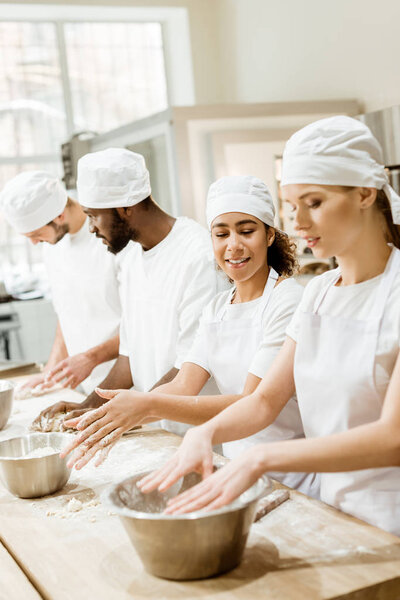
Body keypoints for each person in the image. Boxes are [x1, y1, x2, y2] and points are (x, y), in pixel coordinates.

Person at [136, 116, 400, 536]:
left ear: (366, 193)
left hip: (390, 520)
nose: (299, 222)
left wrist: (259, 459)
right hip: (329, 511)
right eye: (291, 206)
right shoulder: (319, 293)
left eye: (313, 203)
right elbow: (263, 402)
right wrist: (204, 434)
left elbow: (392, 438)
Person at [60, 175, 318, 497]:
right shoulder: (216, 308)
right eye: (221, 233)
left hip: (293, 477)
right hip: (237, 471)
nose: (233, 245)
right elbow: (184, 384)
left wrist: (147, 404)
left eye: (246, 231)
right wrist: (115, 415)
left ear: (269, 235)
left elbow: (252, 401)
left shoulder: (288, 300)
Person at [35, 148, 225, 433]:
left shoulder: (197, 256)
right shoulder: (133, 257)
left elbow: (190, 365)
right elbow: (129, 357)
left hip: (199, 435)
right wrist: (89, 406)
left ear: (125, 208)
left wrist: (123, 413)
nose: (90, 229)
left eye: (94, 216)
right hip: (157, 426)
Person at [0, 171, 121, 395]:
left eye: (35, 234)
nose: (34, 243)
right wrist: (51, 371)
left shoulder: (112, 242)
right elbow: (67, 312)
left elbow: (143, 325)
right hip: (84, 385)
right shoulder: (53, 246)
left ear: (59, 216)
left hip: (126, 383)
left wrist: (91, 358)